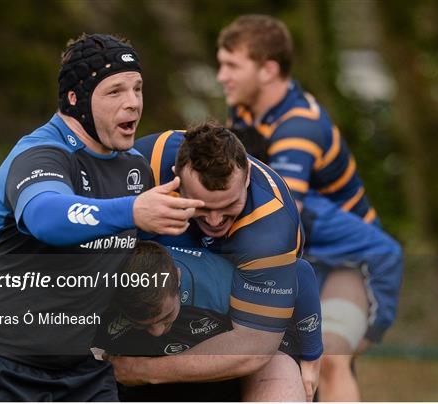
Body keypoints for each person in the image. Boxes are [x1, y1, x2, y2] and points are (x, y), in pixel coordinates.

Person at [0, 33, 203, 401]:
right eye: (115, 92)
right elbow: (46, 216)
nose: (133, 103)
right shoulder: (41, 154)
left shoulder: (134, 167)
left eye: (137, 89)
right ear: (75, 100)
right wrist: (132, 210)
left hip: (75, 371)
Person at [216, 14, 403, 401]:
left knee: (332, 357)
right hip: (303, 259)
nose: (221, 76)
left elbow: (282, 217)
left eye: (232, 65)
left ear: (268, 70)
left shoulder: (298, 128)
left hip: (346, 265)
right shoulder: (247, 114)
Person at [106, 122, 306, 399]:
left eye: (228, 207)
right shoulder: (141, 168)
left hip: (232, 323)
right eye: (201, 206)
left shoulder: (271, 223)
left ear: (247, 178)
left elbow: (254, 346)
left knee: (281, 379)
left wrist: (143, 372)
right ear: (175, 177)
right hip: (140, 311)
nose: (214, 221)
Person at [94, 240, 323, 402]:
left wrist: (312, 357)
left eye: (165, 318)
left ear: (178, 280)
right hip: (149, 382)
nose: (156, 331)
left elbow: (300, 274)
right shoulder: (98, 301)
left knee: (278, 374)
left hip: (240, 358)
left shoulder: (218, 283)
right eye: (143, 324)